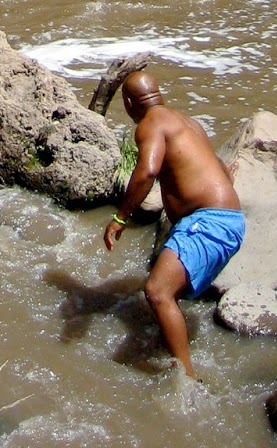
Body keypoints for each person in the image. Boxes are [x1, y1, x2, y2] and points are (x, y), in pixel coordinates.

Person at [102, 70, 244, 378]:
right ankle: (167, 341)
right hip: (227, 220)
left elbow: (147, 171)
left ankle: (186, 379)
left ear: (128, 102)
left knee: (156, 291)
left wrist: (120, 217)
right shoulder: (186, 121)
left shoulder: (150, 124)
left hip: (207, 222)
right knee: (168, 291)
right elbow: (217, 166)